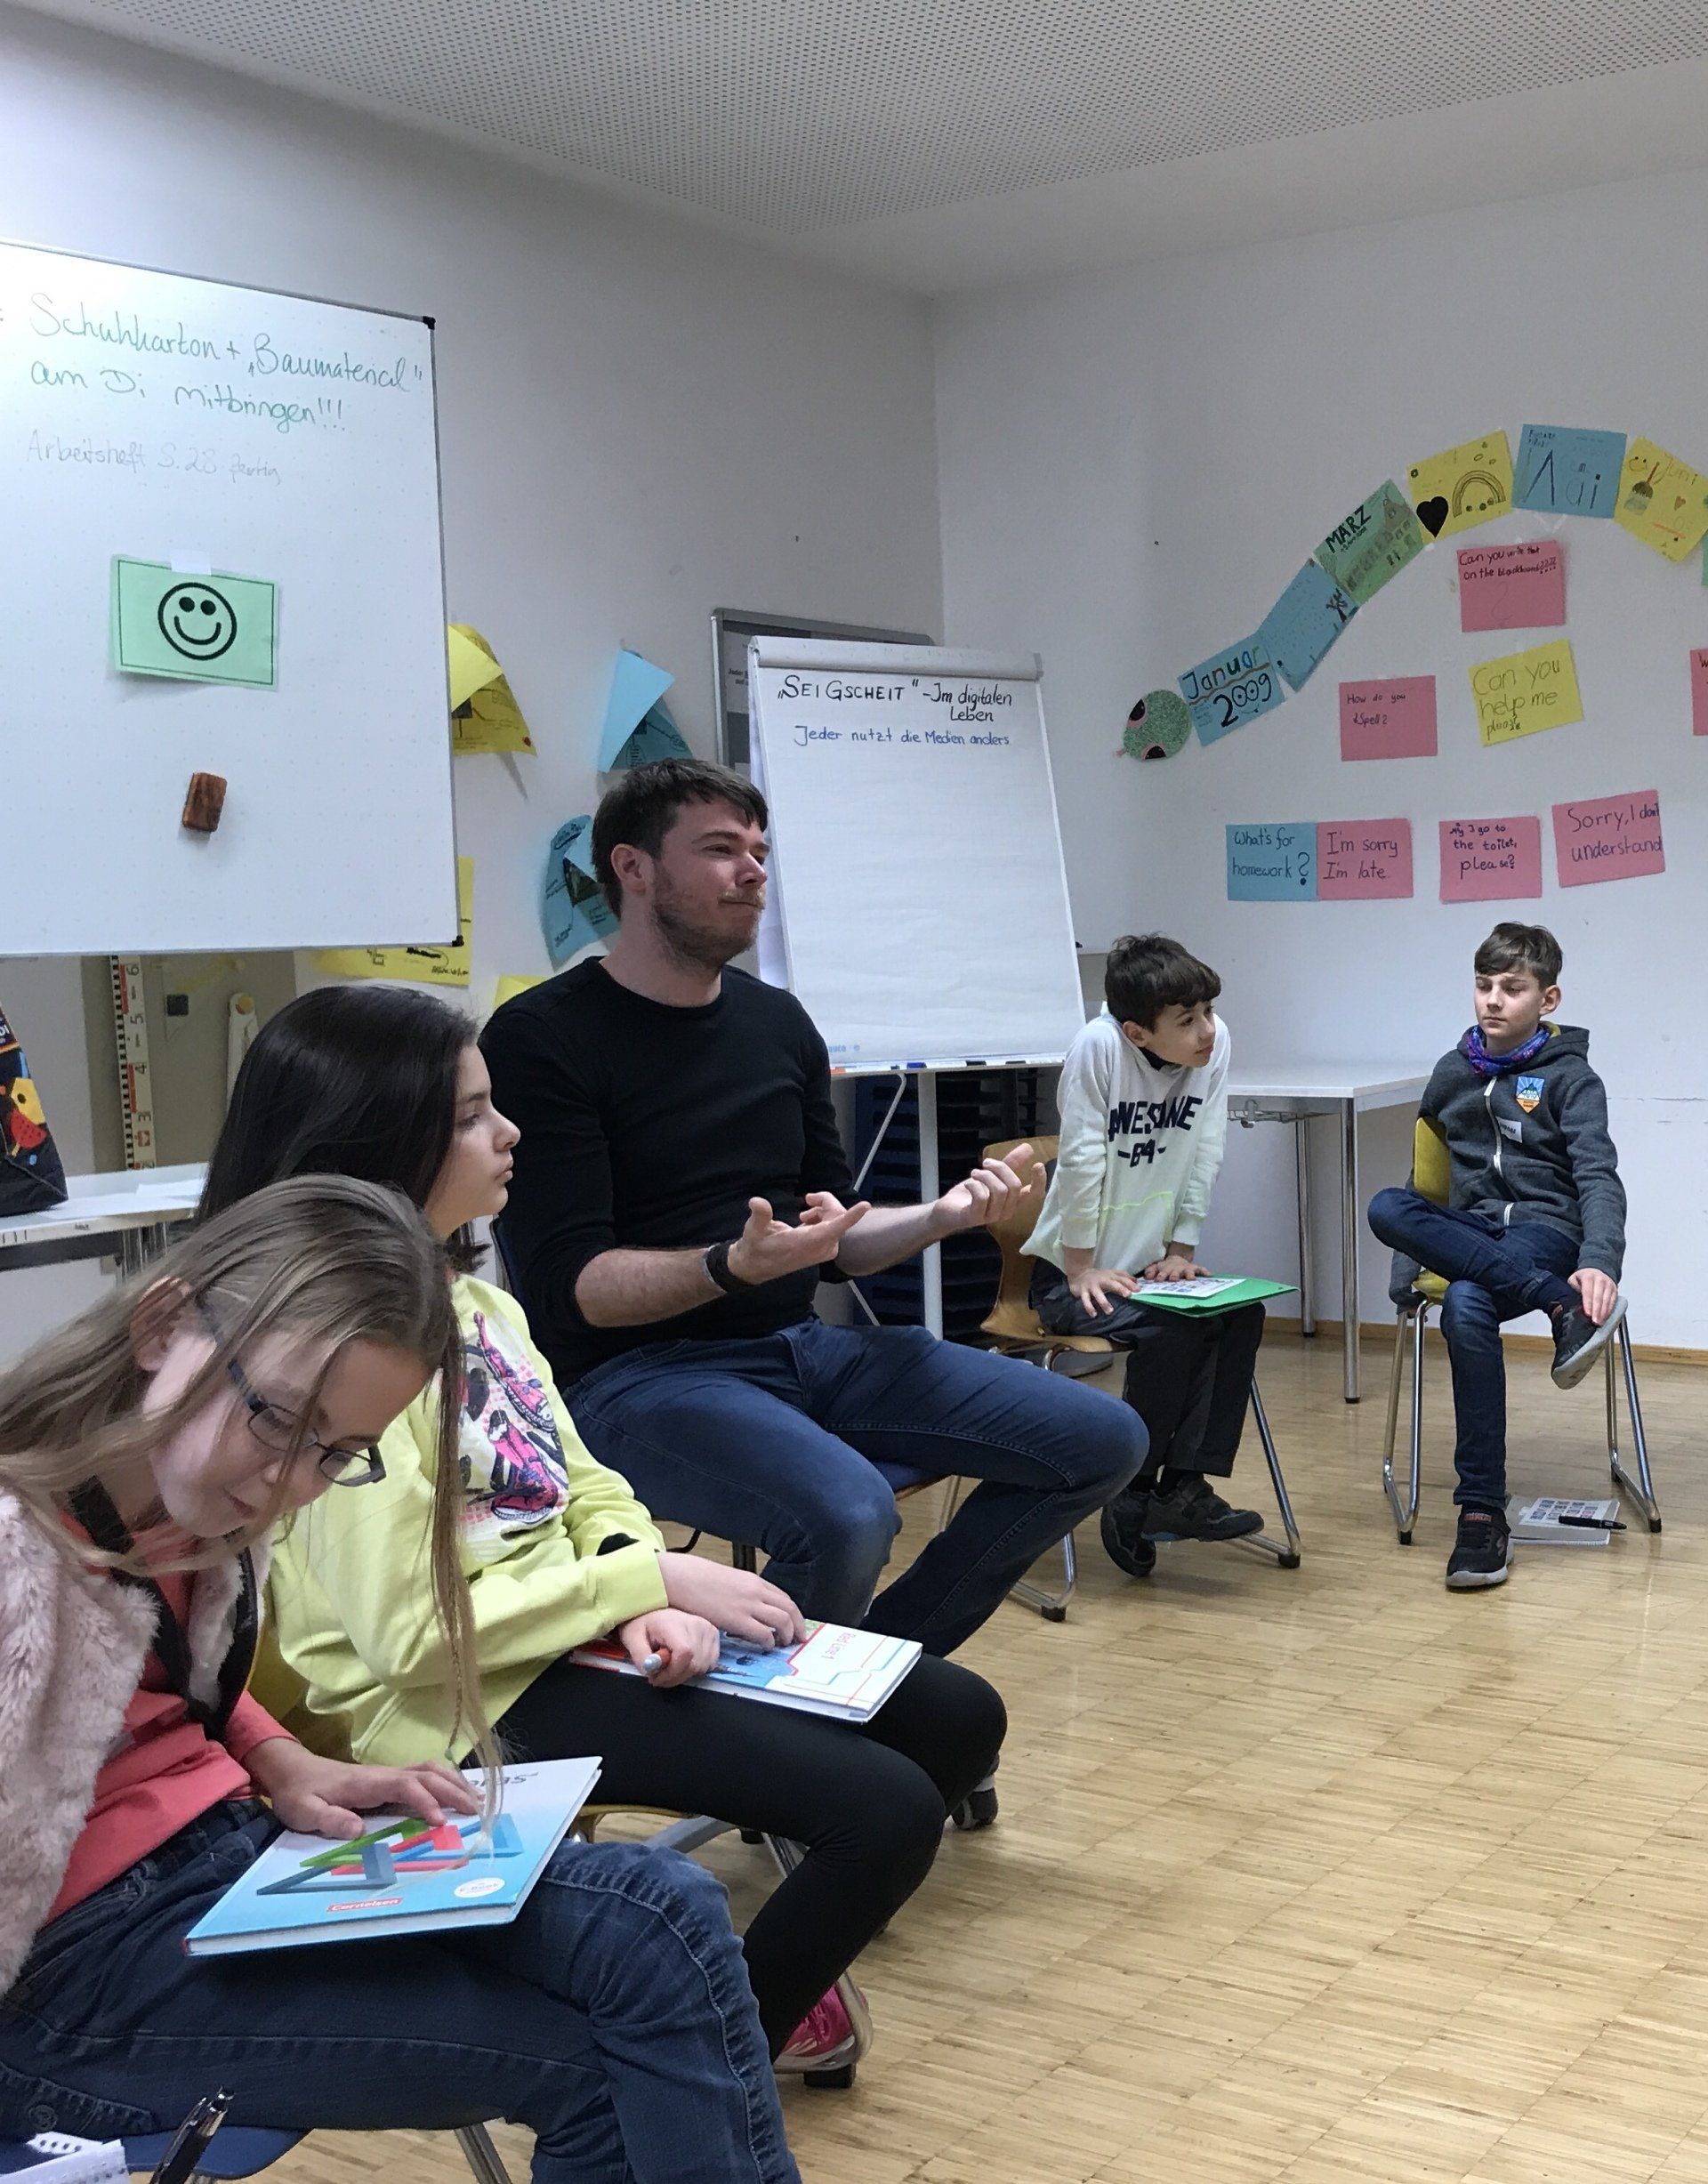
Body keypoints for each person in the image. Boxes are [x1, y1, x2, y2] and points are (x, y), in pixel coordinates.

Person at [202, 987, 1007, 2083]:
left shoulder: (480, 1305)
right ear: (374, 1140)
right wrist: (644, 1589)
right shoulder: (331, 1347)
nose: (509, 1132)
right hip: (450, 1699)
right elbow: (408, 1637)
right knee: (885, 1811)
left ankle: (737, 1972)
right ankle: (701, 2058)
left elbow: (582, 1480)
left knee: (957, 1715)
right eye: (473, 1115)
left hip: (564, 1630)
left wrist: (637, 1579)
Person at [0, 1174, 800, 2184]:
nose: (290, 1480)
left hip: (216, 1852)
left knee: (662, 1911)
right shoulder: (19, 1548)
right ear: (163, 1326)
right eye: (277, 1419)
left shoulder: (185, 1495)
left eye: (338, 1454)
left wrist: (278, 1756)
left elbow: (144, 1667)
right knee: (597, 2065)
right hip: (68, 1975)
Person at [479, 759, 1144, 1658]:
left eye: (760, 851)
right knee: (847, 1514)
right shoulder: (541, 1038)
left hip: (801, 1349)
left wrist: (940, 1215)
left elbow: (836, 1242)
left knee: (1101, 1436)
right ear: (632, 868)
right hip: (631, 1380)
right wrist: (730, 1266)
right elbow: (576, 1290)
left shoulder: (777, 1023)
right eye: (721, 849)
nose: (754, 872)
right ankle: (797, 1721)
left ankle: (877, 1672)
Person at [1367, 922, 1627, 1592]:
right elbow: (1424, 1184)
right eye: (1484, 985)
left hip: (1546, 1234)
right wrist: (1406, 1273)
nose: (1493, 999)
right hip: (1473, 1231)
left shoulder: (1573, 1078)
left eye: (1512, 988)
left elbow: (1599, 1177)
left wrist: (1600, 1260)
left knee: (1466, 1299)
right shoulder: (1452, 1072)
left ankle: (1481, 1511)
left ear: (1548, 998)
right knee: (1387, 1207)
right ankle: (1555, 1304)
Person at [1026, 934, 1265, 1580]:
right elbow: (1081, 1158)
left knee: (1238, 1314)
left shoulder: (1213, 1046)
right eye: (1186, 1020)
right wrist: (1080, 1266)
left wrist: (1182, 1248)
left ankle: (1182, 1489)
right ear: (1137, 1032)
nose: (1206, 1030)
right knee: (1170, 1330)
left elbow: (1205, 1144)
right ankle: (1132, 1490)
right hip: (1070, 1275)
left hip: (1144, 1269)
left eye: (1208, 1011)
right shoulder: (1099, 1047)